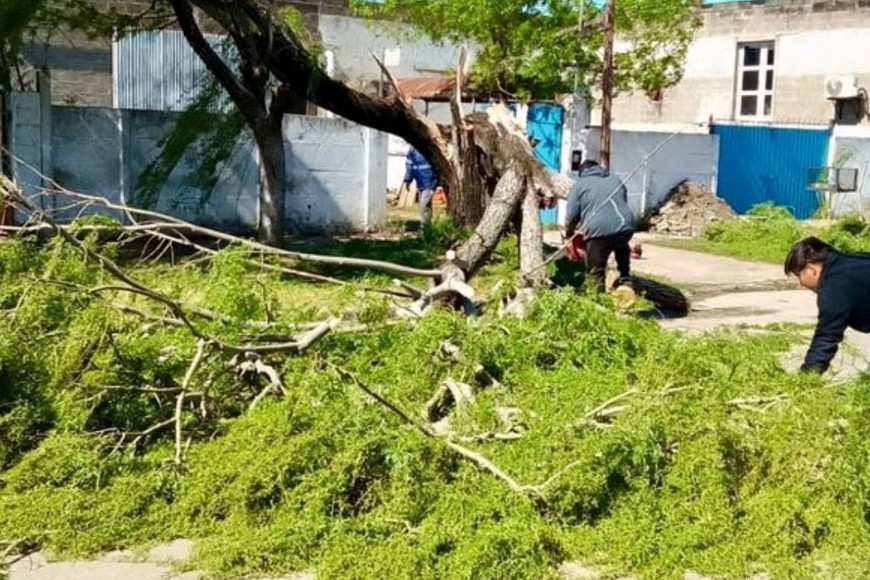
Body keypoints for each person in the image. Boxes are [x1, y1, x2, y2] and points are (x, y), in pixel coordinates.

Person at [784, 236, 870, 373]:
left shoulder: (834, 286)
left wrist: (807, 378)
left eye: (799, 275)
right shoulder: (855, 261)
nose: (801, 282)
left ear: (811, 269)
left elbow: (826, 337)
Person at [563, 159, 635, 292]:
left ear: (582, 172)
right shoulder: (615, 179)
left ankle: (597, 299)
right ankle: (626, 278)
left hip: (599, 230)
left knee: (596, 270)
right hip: (627, 224)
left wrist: (569, 234)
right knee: (620, 244)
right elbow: (623, 199)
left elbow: (571, 215)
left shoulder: (579, 185)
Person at [402, 146, 437, 226]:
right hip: (420, 182)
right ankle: (427, 228)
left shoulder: (429, 148)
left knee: (424, 206)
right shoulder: (412, 149)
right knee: (425, 206)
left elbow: (436, 167)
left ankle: (425, 228)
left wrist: (434, 184)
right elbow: (409, 166)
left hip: (429, 182)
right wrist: (408, 180)